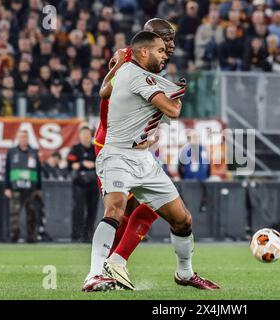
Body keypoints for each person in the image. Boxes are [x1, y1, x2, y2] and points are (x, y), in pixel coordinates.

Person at [85, 31, 219, 292]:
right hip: (116, 152)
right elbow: (173, 110)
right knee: (115, 209)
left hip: (143, 158)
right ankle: (95, 273)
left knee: (182, 220)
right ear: (144, 50)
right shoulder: (138, 75)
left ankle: (184, 273)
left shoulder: (126, 67)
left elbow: (103, 91)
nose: (167, 51)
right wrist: (177, 93)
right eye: (162, 47)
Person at [83, 19, 181, 292]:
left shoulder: (150, 60)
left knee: (149, 206)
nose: (171, 45)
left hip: (136, 145)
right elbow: (105, 92)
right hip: (112, 144)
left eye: (172, 40)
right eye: (166, 39)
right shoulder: (128, 56)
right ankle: (103, 267)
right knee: (116, 208)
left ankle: (115, 261)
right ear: (151, 38)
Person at [4, 130, 41, 243]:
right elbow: (7, 170)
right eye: (21, 137)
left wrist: (39, 188)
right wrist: (7, 187)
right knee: (14, 213)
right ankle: (14, 236)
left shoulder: (33, 152)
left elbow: (38, 171)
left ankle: (31, 236)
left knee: (32, 213)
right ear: (17, 138)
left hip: (31, 188)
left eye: (25, 137)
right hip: (15, 187)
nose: (23, 139)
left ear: (28, 138)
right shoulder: (12, 152)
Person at [67, 125, 99, 242]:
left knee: (92, 210)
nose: (86, 137)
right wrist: (82, 163)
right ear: (80, 136)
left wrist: (93, 164)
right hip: (79, 184)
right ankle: (76, 235)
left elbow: (102, 163)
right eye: (83, 135)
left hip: (93, 184)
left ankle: (88, 235)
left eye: (87, 135)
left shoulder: (95, 148)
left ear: (91, 136)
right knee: (78, 210)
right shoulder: (75, 149)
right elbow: (72, 165)